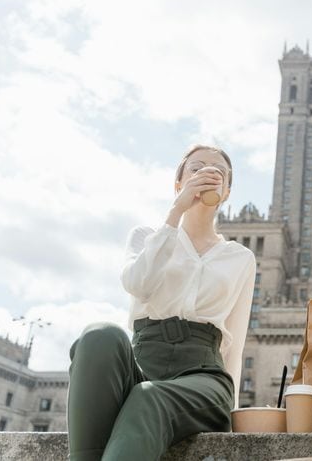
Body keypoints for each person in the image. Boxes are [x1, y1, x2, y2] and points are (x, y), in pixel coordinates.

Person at [67, 144, 256, 461]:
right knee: (100, 335)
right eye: (195, 169)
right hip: (143, 362)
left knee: (148, 397)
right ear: (178, 184)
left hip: (204, 377)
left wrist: (232, 415)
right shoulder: (147, 236)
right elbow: (137, 283)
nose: (207, 174)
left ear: (226, 192)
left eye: (218, 172)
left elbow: (234, 344)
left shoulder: (241, 258)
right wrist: (175, 213)